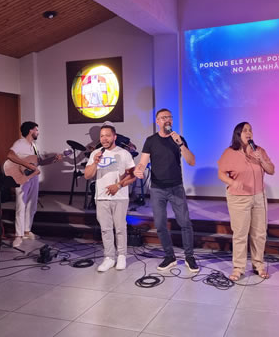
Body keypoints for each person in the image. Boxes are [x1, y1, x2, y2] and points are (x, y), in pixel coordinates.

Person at [134, 109, 199, 273]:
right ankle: (169, 256)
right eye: (163, 118)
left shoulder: (178, 139)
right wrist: (138, 169)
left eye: (170, 117)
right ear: (157, 121)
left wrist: (180, 144)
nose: (167, 120)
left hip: (176, 187)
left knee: (185, 223)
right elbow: (142, 162)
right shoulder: (151, 140)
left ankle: (189, 257)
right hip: (157, 189)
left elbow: (191, 161)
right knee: (160, 224)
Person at [218, 122, 275, 281]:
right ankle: (238, 268)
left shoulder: (259, 151)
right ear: (238, 134)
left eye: (250, 130)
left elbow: (271, 170)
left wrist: (261, 160)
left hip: (259, 196)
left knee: (259, 233)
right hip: (238, 197)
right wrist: (232, 182)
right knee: (240, 234)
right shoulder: (230, 152)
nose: (248, 133)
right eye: (245, 130)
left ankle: (258, 265)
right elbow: (221, 174)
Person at [84, 124, 136, 271]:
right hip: (101, 197)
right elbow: (87, 175)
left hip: (119, 196)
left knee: (120, 228)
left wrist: (118, 185)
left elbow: (133, 176)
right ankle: (109, 257)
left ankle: (121, 256)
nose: (104, 138)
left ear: (114, 137)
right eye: (102, 136)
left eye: (107, 135)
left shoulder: (124, 153)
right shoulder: (96, 153)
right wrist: (95, 162)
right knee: (105, 229)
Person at [6, 121, 62, 248]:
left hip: (33, 177)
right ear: (31, 131)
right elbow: (10, 155)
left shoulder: (34, 146)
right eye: (36, 130)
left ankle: (27, 230)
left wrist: (53, 159)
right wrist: (27, 165)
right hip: (22, 177)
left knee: (32, 204)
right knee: (21, 204)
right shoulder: (20, 143)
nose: (38, 132)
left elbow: (39, 162)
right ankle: (18, 235)